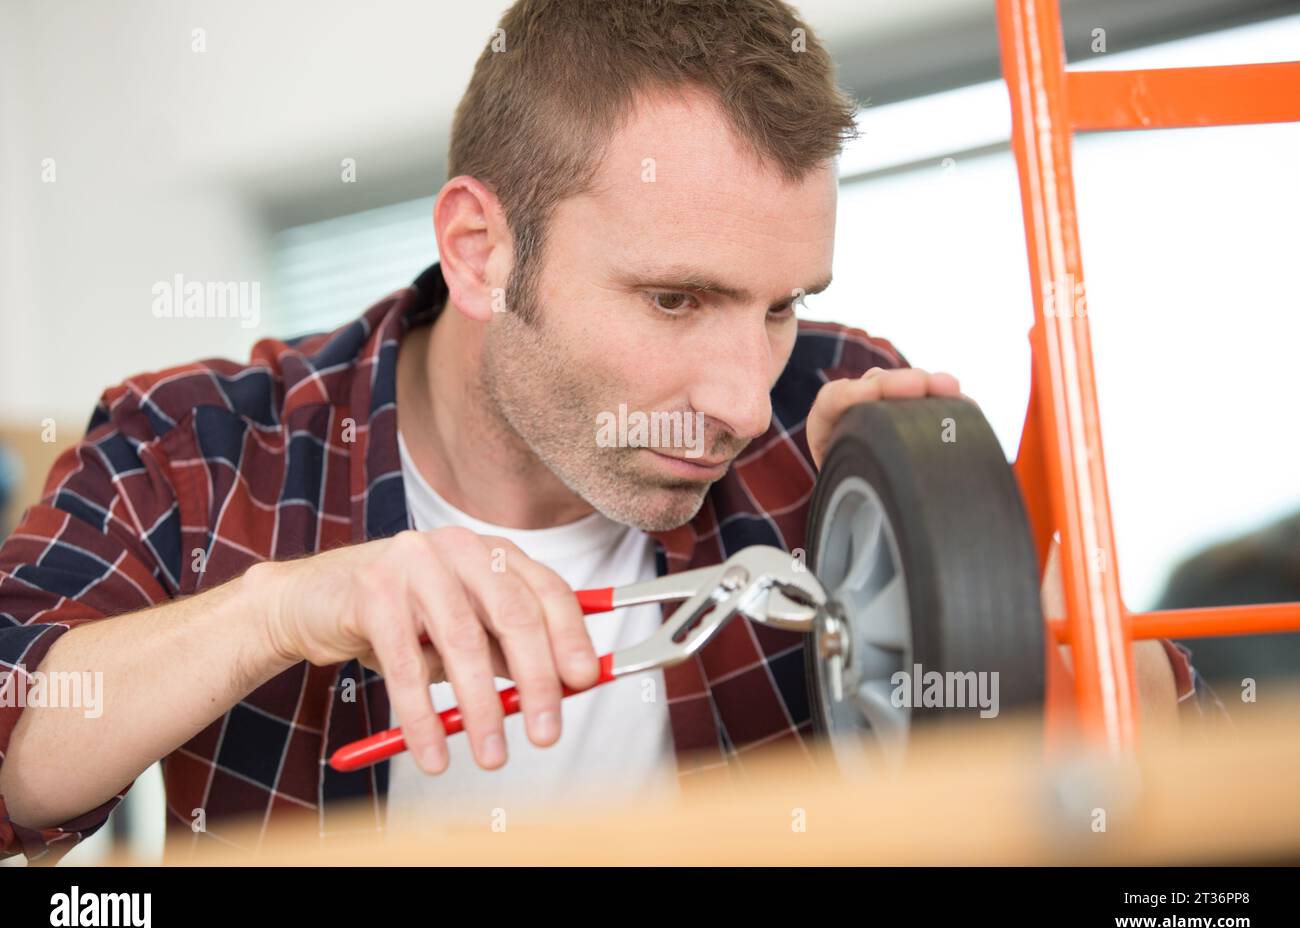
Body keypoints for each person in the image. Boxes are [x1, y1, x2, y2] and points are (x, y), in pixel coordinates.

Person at [0, 0, 1199, 864]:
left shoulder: (836, 422)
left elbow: (1159, 772)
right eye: (674, 299)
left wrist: (976, 560)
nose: (741, 398)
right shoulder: (202, 441)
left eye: (781, 305)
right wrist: (280, 609)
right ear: (481, 249)